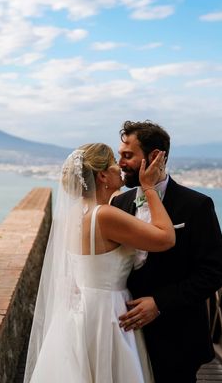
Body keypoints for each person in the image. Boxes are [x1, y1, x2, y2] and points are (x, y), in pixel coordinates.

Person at [24, 142, 175, 383]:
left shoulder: (72, 213)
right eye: (115, 164)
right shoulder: (104, 215)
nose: (121, 168)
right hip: (108, 312)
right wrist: (149, 188)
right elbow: (166, 238)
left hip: (79, 310)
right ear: (103, 175)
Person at [112, 120, 222, 383]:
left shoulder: (196, 206)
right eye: (120, 155)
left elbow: (213, 272)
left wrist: (160, 303)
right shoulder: (120, 203)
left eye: (128, 155)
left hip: (177, 337)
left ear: (154, 157)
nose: (120, 163)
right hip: (125, 333)